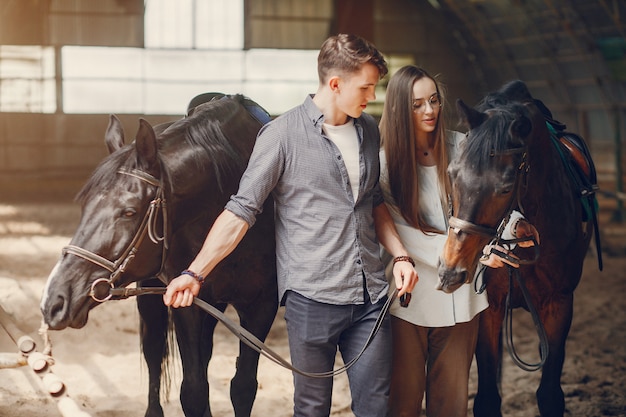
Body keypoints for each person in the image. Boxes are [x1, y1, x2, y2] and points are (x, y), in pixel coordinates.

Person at [163, 34, 418, 417]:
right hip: (314, 299)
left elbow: (372, 202)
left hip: (371, 298)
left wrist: (400, 255)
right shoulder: (280, 135)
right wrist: (194, 273)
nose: (372, 96)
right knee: (312, 408)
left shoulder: (367, 130)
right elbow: (241, 211)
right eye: (366, 87)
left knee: (376, 407)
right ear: (335, 84)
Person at [378, 65, 540, 417]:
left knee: (451, 407)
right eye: (417, 104)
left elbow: (486, 198)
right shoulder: (386, 164)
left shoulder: (465, 145)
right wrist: (478, 253)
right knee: (402, 405)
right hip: (411, 300)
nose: (429, 111)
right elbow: (401, 232)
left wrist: (512, 228)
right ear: (398, 110)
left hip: (464, 299)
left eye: (434, 100)